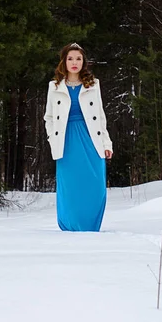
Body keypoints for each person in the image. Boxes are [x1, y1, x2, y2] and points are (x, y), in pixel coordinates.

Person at [44, 43, 113, 232]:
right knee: (70, 187)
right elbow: (48, 118)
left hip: (91, 139)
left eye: (78, 59)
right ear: (64, 62)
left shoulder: (93, 85)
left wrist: (107, 143)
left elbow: (100, 116)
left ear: (84, 62)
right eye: (70, 58)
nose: (74, 62)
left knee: (95, 185)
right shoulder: (54, 87)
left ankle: (91, 226)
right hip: (66, 142)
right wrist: (53, 139)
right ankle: (71, 227)